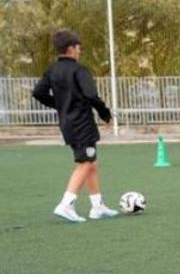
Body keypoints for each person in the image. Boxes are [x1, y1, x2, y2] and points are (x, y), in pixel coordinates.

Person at [31, 30, 118, 223]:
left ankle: (97, 206)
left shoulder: (52, 70)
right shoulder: (79, 70)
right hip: (82, 123)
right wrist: (105, 114)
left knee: (91, 163)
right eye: (79, 48)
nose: (80, 51)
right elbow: (91, 95)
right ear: (71, 49)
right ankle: (66, 204)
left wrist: (59, 104)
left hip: (67, 123)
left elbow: (38, 92)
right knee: (85, 163)